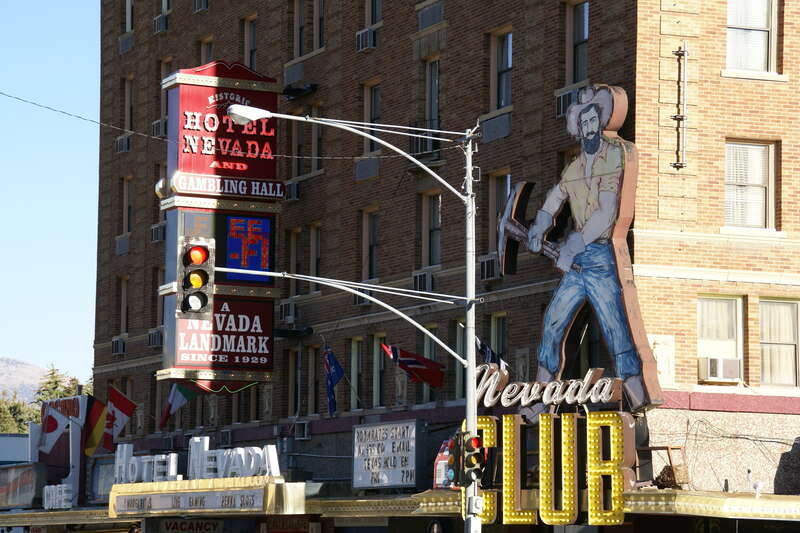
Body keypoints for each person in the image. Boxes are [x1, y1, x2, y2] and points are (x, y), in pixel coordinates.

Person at [526, 85, 647, 412]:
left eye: (595, 121)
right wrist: (539, 225)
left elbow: (608, 213)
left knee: (615, 323)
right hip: (576, 261)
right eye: (585, 123)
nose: (590, 128)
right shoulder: (575, 167)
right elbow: (555, 199)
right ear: (578, 129)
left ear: (602, 122)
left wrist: (573, 244)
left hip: (601, 257)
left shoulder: (615, 156)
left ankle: (635, 390)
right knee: (553, 320)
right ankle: (542, 392)